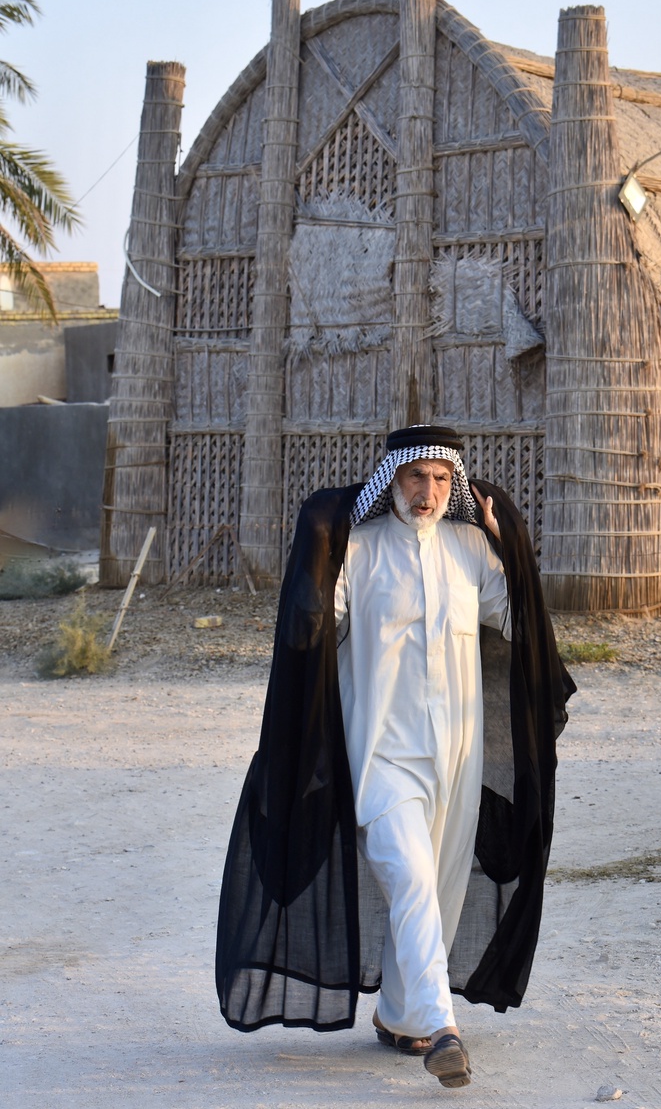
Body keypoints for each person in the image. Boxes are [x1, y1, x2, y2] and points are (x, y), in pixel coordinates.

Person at [216, 424, 574, 1089]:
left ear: (455, 484)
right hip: (382, 756)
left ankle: (400, 1016)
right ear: (392, 479)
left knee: (435, 892)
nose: (429, 491)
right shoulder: (358, 550)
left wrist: (510, 548)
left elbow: (525, 632)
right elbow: (315, 629)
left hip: (456, 759)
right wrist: (317, 559)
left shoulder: (472, 551)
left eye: (442, 479)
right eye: (417, 477)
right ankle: (443, 1026)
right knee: (409, 879)